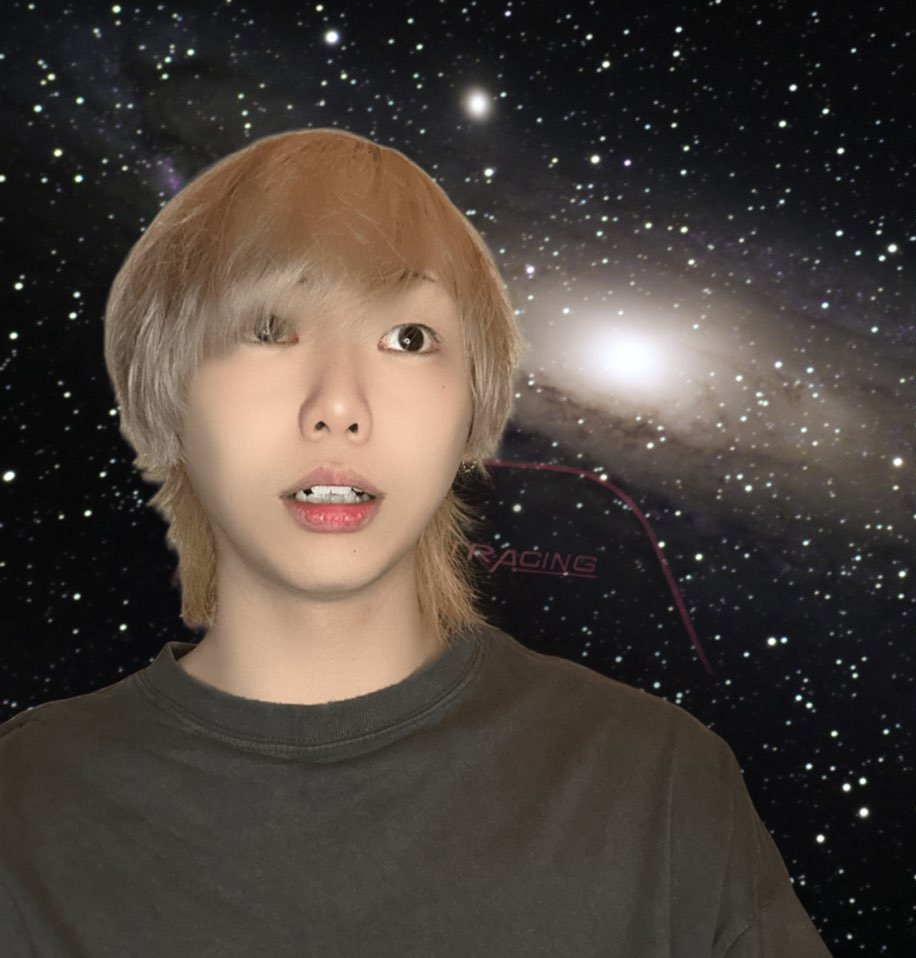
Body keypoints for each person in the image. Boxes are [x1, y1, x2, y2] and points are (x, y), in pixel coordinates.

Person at [0, 128, 832, 956]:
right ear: (165, 386)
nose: (338, 406)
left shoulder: (660, 785)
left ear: (474, 401)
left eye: (407, 338)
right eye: (267, 326)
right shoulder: (24, 805)